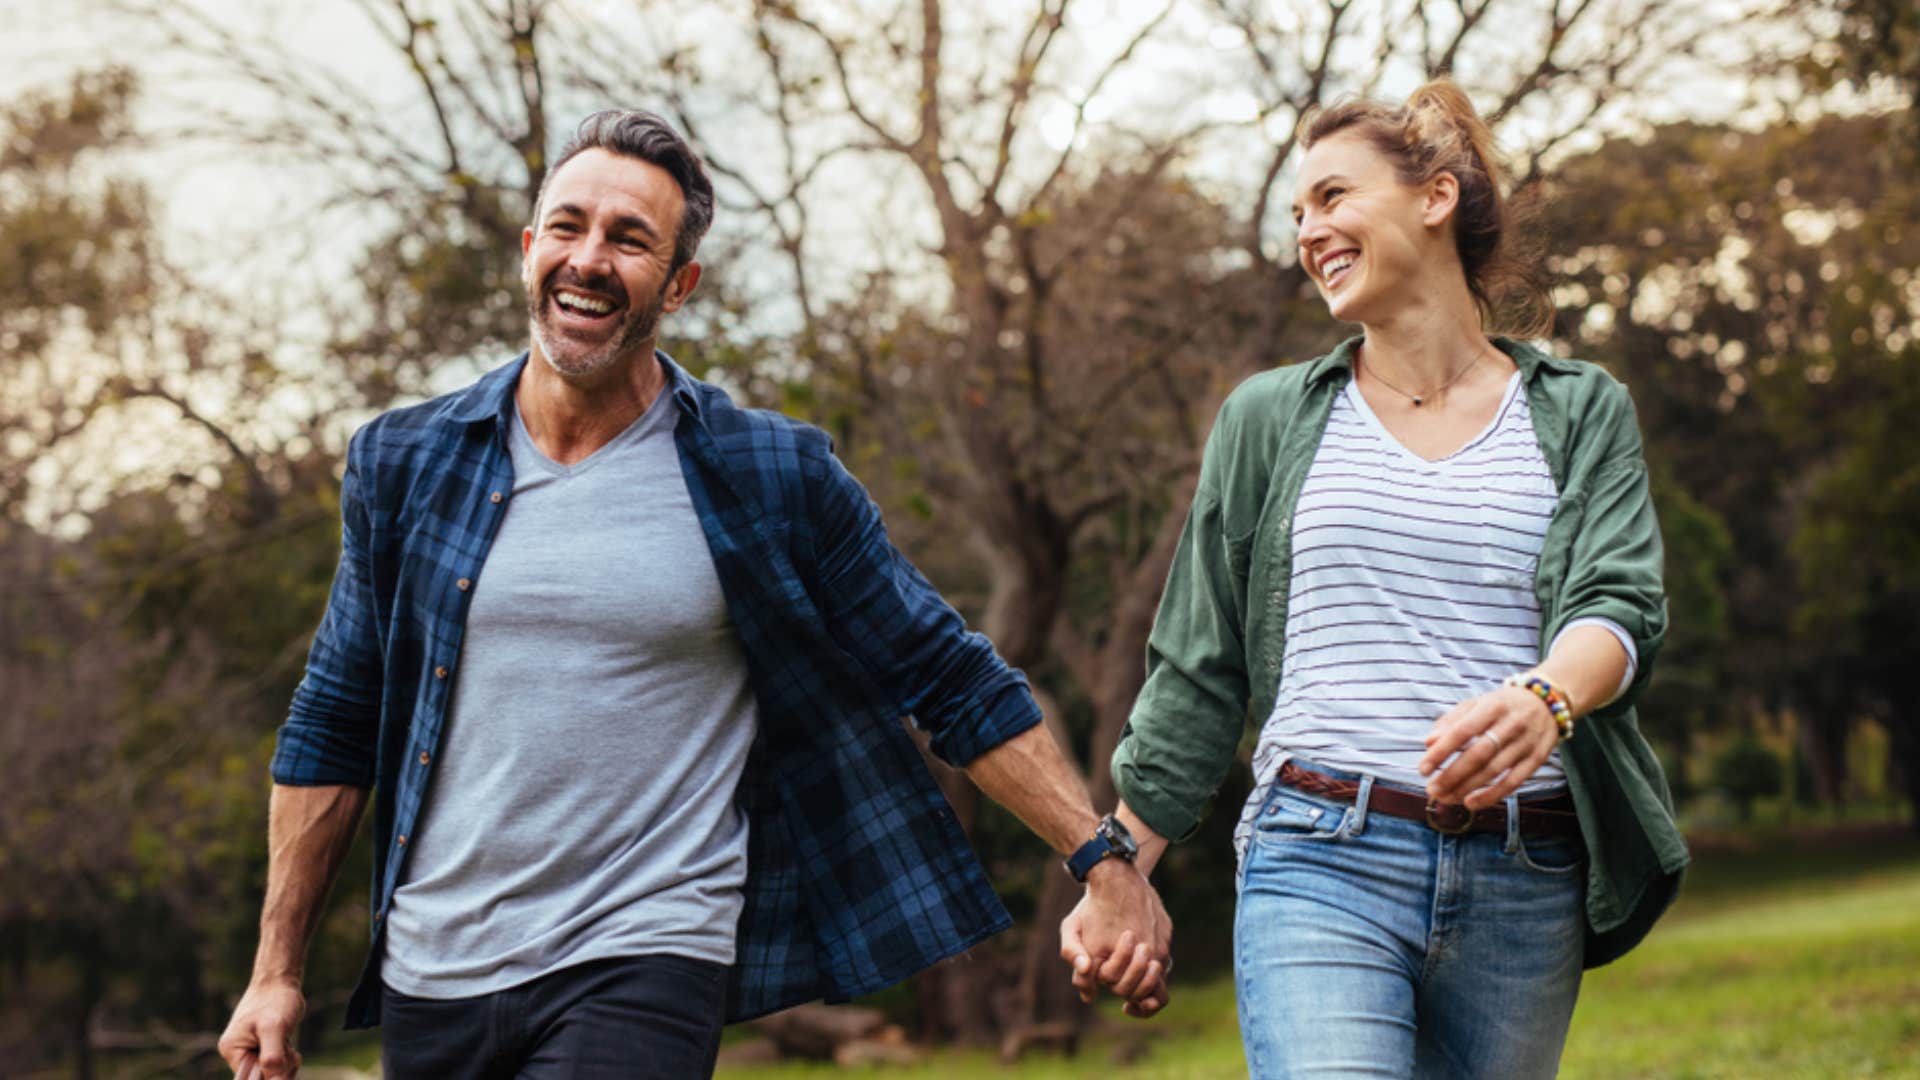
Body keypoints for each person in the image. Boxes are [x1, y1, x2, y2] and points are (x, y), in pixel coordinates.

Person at [216, 109, 1168, 1080]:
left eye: (629, 240)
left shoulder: (768, 474)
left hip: (647, 952)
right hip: (436, 968)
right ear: (528, 245)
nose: (588, 259)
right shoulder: (407, 462)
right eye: (568, 226)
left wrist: (1104, 859)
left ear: (679, 284)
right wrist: (274, 970)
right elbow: (336, 718)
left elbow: (947, 674)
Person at [1062, 80, 1686, 1076]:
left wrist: (1548, 701)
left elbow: (1617, 603)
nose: (1310, 231)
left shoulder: (1577, 410)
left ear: (1434, 198)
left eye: (1333, 197)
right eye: (1300, 214)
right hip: (1321, 852)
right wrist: (1117, 870)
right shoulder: (1268, 419)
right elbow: (1198, 667)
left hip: (1528, 872)